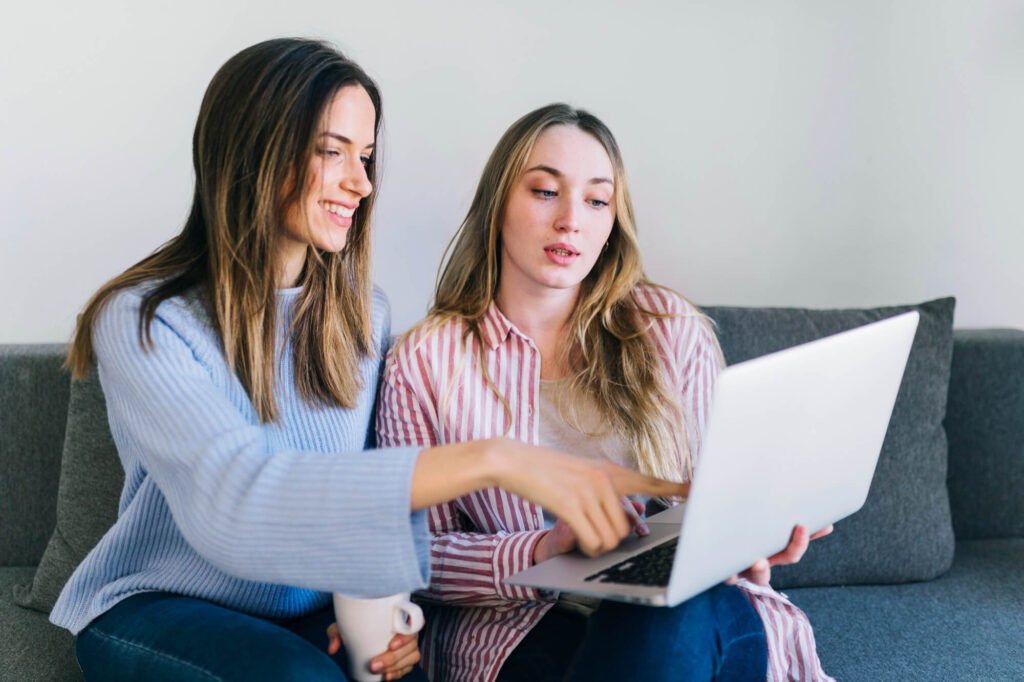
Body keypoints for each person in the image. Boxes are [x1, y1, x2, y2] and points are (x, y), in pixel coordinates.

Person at [50, 41, 687, 682]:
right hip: (161, 606)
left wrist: (381, 609)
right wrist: (498, 458)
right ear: (255, 151)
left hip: (309, 611)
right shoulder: (143, 319)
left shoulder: (362, 317)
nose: (361, 182)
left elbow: (366, 503)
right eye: (332, 151)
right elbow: (234, 506)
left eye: (366, 155)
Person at [375, 104, 835, 681]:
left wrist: (753, 539)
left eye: (597, 200)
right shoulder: (424, 361)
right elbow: (416, 560)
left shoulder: (670, 329)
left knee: (665, 613)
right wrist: (544, 548)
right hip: (520, 632)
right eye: (546, 191)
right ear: (498, 204)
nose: (572, 220)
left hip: (691, 614)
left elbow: (714, 499)